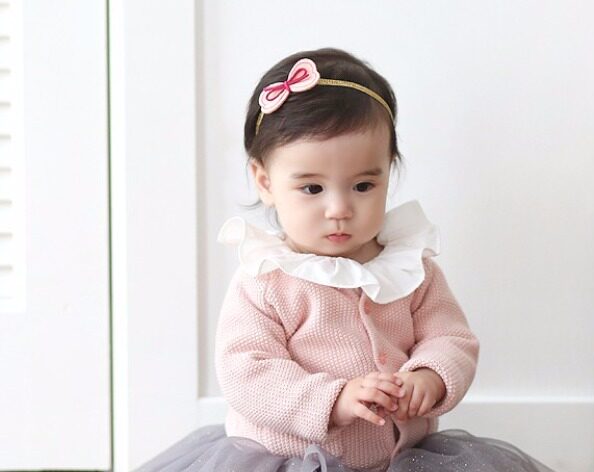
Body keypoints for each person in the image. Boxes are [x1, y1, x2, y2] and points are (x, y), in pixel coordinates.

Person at [134, 48, 556, 472]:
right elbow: (248, 372)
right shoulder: (265, 279)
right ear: (265, 182)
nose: (339, 209)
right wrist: (334, 400)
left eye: (363, 186)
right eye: (312, 189)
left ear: (388, 173)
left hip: (402, 458)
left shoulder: (411, 269)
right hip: (290, 457)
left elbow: (451, 337)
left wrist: (429, 375)